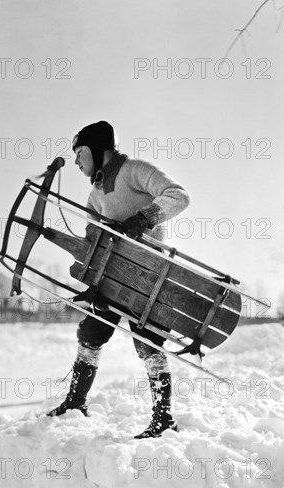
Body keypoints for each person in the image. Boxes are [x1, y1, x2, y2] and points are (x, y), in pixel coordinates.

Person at [47, 120, 190, 438]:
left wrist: (145, 217)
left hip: (148, 274)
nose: (76, 161)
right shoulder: (94, 195)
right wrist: (91, 284)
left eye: (80, 152)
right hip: (110, 276)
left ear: (99, 150)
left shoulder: (136, 170)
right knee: (90, 333)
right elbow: (92, 240)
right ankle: (74, 402)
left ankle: (163, 418)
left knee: (148, 341)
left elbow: (178, 196)